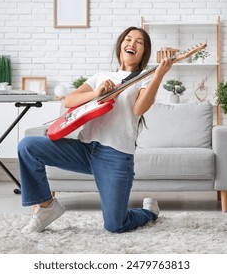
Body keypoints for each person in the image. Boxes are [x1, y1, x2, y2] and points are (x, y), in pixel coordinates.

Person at [18, 26, 174, 233]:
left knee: (116, 225)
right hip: (85, 149)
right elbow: (70, 100)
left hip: (115, 156)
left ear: (144, 52)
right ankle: (46, 207)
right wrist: (96, 93)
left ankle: (149, 212)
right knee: (28, 146)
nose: (132, 44)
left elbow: (139, 108)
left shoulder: (145, 78)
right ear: (120, 46)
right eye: (128, 39)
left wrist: (159, 75)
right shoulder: (102, 76)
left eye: (139, 42)